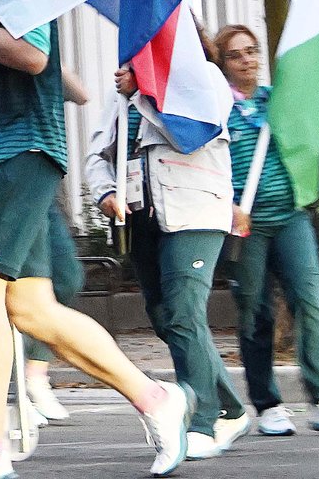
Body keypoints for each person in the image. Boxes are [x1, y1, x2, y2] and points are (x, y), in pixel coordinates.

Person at [0, 0, 190, 479]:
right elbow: (40, 76)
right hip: (4, 159)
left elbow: (34, 56)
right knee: (30, 308)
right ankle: (155, 397)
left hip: (13, 158)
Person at [86, 61, 250, 458]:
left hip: (194, 208)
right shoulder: (124, 90)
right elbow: (98, 153)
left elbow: (192, 129)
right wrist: (105, 191)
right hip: (142, 213)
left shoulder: (203, 75)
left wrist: (143, 90)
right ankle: (231, 407)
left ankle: (203, 420)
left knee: (182, 312)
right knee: (165, 317)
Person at [214, 24, 319, 435]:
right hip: (246, 224)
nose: (247, 60)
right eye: (236, 54)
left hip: (290, 216)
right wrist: (229, 206)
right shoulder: (218, 109)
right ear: (223, 64)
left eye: (252, 51)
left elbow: (305, 135)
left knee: (310, 302)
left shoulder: (278, 102)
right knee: (255, 311)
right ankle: (268, 405)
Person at [20, 65, 92, 426]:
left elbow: (80, 93)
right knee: (26, 290)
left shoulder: (37, 60)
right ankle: (26, 384)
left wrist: (43, 57)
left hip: (48, 185)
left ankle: (33, 374)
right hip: (13, 182)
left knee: (65, 278)